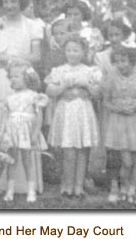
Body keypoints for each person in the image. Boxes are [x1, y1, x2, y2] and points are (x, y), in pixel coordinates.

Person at [0, 0, 43, 193]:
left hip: (23, 77)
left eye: (14, 1)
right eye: (6, 1)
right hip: (0, 76)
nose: (10, 5)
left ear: (21, 2)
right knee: (0, 121)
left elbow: (36, 55)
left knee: (24, 122)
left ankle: (25, 182)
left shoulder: (32, 25)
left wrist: (16, 62)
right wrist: (5, 58)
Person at [45, 35, 102, 198]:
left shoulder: (90, 71)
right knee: (69, 151)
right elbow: (50, 91)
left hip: (83, 111)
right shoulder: (59, 70)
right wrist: (63, 86)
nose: (72, 53)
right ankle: (67, 185)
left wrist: (86, 85)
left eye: (76, 50)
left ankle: (79, 185)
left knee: (82, 150)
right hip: (66, 111)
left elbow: (98, 94)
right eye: (69, 50)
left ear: (83, 52)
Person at [102, 45, 136, 204]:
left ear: (132, 61)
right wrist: (118, 108)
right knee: (126, 161)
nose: (121, 65)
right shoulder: (111, 79)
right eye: (117, 62)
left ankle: (132, 189)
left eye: (124, 61)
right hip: (119, 122)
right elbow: (106, 102)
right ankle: (123, 186)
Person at [0, 60, 48, 202]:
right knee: (11, 161)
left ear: (26, 78)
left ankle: (31, 190)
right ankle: (10, 190)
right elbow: (5, 117)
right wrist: (2, 133)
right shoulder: (9, 98)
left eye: (16, 77)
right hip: (12, 132)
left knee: (27, 160)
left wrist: (35, 133)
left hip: (26, 132)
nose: (12, 79)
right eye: (11, 77)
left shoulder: (34, 96)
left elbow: (39, 116)